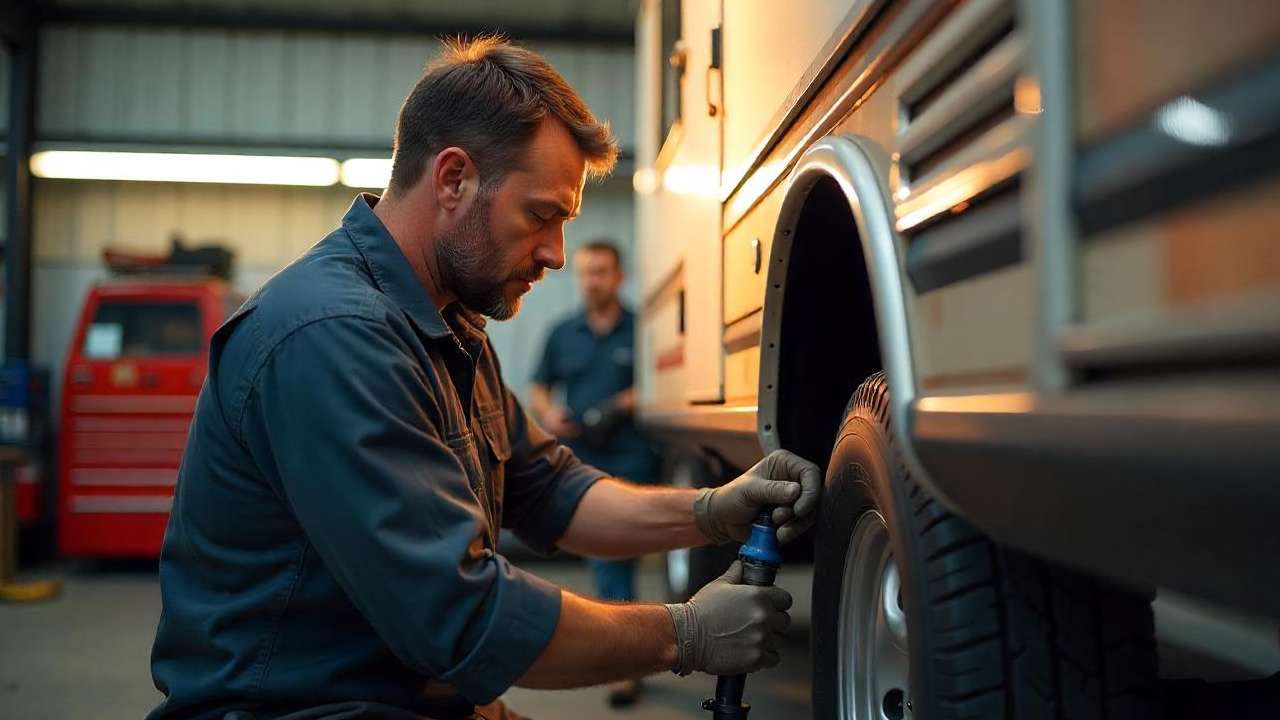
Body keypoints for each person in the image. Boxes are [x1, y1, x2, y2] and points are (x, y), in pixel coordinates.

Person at [147, 36, 821, 720]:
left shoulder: (448, 323)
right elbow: (462, 618)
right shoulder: (331, 337)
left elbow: (551, 490)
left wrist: (709, 510)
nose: (557, 256)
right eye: (541, 215)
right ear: (453, 180)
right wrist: (687, 634)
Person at [529, 240, 657, 707]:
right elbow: (539, 387)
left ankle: (627, 658)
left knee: (615, 554)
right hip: (579, 460)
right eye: (585, 272)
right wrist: (551, 415)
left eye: (601, 272)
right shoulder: (562, 333)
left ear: (619, 276)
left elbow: (658, 384)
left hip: (633, 455)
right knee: (608, 555)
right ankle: (629, 657)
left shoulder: (641, 330)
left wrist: (618, 406)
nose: (592, 281)